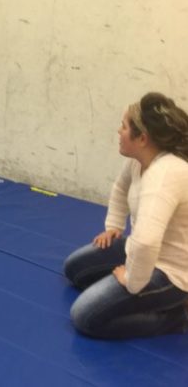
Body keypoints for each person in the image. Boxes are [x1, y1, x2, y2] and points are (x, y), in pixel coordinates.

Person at [64, 92, 188, 339]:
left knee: (84, 316)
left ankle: (176, 315)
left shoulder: (165, 175)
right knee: (75, 270)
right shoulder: (140, 160)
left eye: (123, 126)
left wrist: (132, 280)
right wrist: (114, 226)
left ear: (142, 138)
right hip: (144, 251)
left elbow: (146, 241)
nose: (118, 131)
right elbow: (121, 188)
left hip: (174, 274)